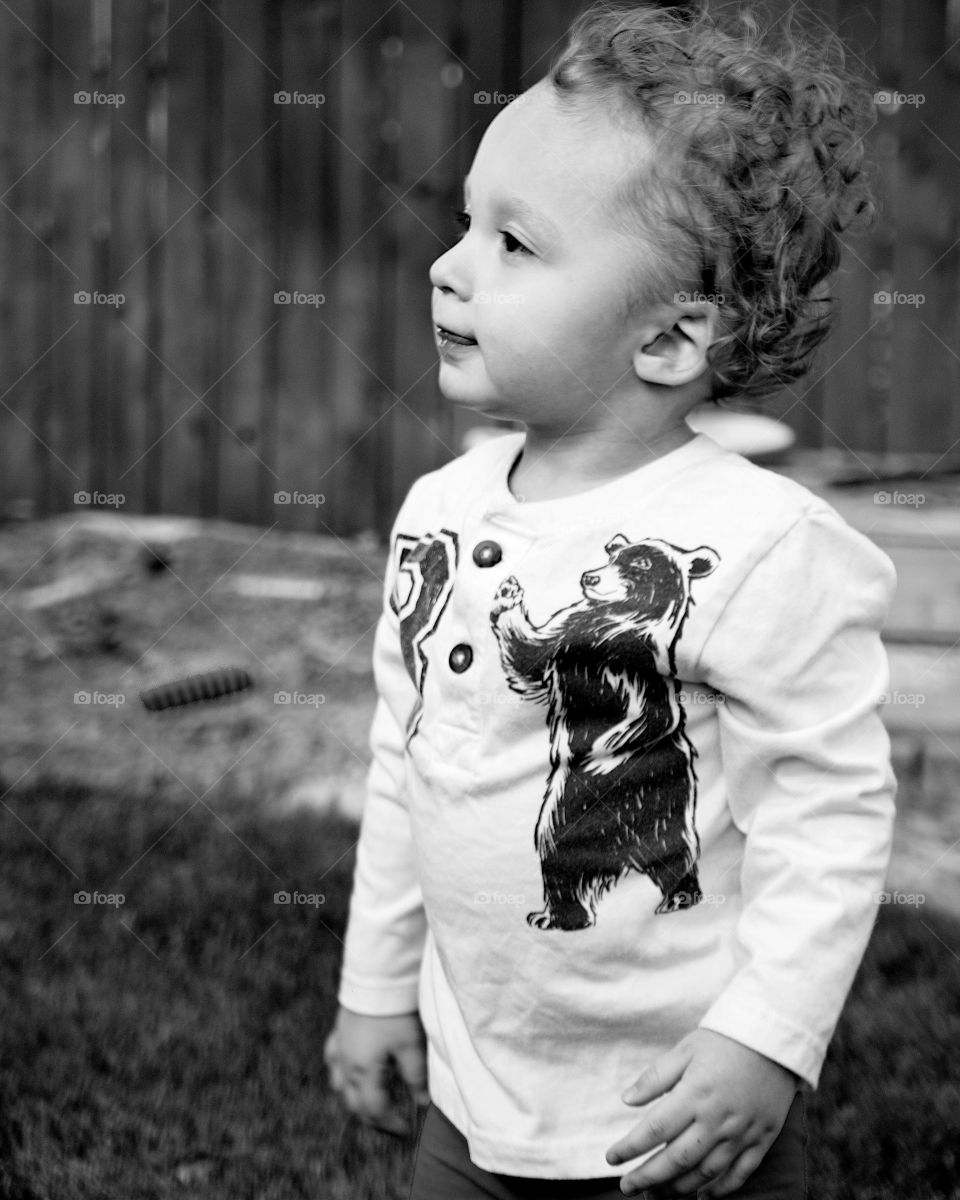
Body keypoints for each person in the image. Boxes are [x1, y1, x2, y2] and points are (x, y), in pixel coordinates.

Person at [324, 3, 896, 1197]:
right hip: (472, 1097)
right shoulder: (440, 510)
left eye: (515, 246)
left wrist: (762, 1042)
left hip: (675, 1117)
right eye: (464, 222)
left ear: (671, 338)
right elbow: (405, 762)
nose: (449, 263)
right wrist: (376, 989)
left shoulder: (758, 543)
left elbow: (828, 812)